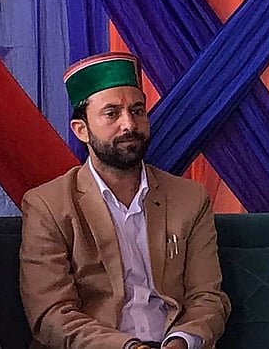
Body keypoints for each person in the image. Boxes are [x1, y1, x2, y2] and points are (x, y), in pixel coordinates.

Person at [19, 53, 231, 349]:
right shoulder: (48, 205)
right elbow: (51, 314)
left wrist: (183, 341)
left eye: (137, 110)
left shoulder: (189, 198)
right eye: (111, 114)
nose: (129, 124)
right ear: (81, 130)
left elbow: (208, 297)